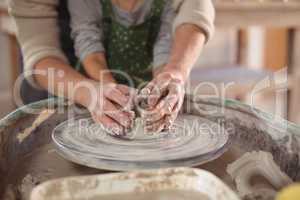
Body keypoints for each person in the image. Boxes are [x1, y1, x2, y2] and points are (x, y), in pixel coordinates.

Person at [8, 0, 215, 135]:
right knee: (45, 136)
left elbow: (177, 27)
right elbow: (79, 41)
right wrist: (96, 91)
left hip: (146, 69)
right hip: (77, 63)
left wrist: (171, 74)